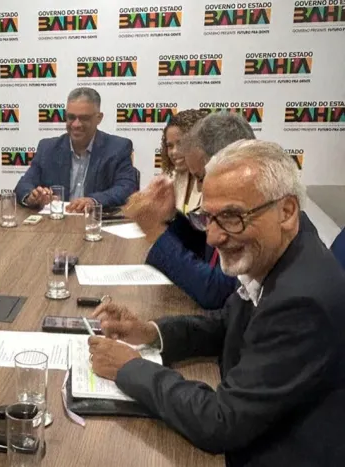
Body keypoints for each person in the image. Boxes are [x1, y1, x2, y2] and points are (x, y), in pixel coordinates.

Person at [88, 140, 345, 466]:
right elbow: (227, 322)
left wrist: (129, 367)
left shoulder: (301, 301)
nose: (213, 236)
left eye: (232, 217)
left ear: (287, 211)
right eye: (208, 217)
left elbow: (219, 421)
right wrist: (150, 332)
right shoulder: (286, 247)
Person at [124, 112, 257, 309]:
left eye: (201, 178)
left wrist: (155, 232)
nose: (200, 188)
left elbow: (217, 292)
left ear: (233, 166)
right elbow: (205, 248)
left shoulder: (257, 214)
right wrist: (169, 217)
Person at [14, 87, 138, 212]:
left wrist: (93, 201)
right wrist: (32, 197)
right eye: (71, 117)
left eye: (84, 118)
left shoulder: (118, 148)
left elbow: (126, 188)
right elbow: (23, 185)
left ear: (99, 118)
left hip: (95, 221)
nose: (76, 124)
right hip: (57, 221)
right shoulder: (47, 148)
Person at [158, 109, 207, 215]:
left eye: (180, 143)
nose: (174, 152)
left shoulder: (217, 179)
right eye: (170, 146)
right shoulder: (173, 178)